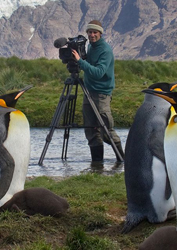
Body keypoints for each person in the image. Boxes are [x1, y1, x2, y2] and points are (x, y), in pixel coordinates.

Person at [71, 20, 124, 163]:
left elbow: (99, 72)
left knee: (106, 130)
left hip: (101, 94)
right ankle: (97, 163)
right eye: (90, 32)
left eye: (95, 32)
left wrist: (80, 62)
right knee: (91, 130)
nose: (92, 35)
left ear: (100, 33)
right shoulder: (91, 47)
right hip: (89, 92)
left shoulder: (105, 50)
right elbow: (91, 65)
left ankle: (123, 161)